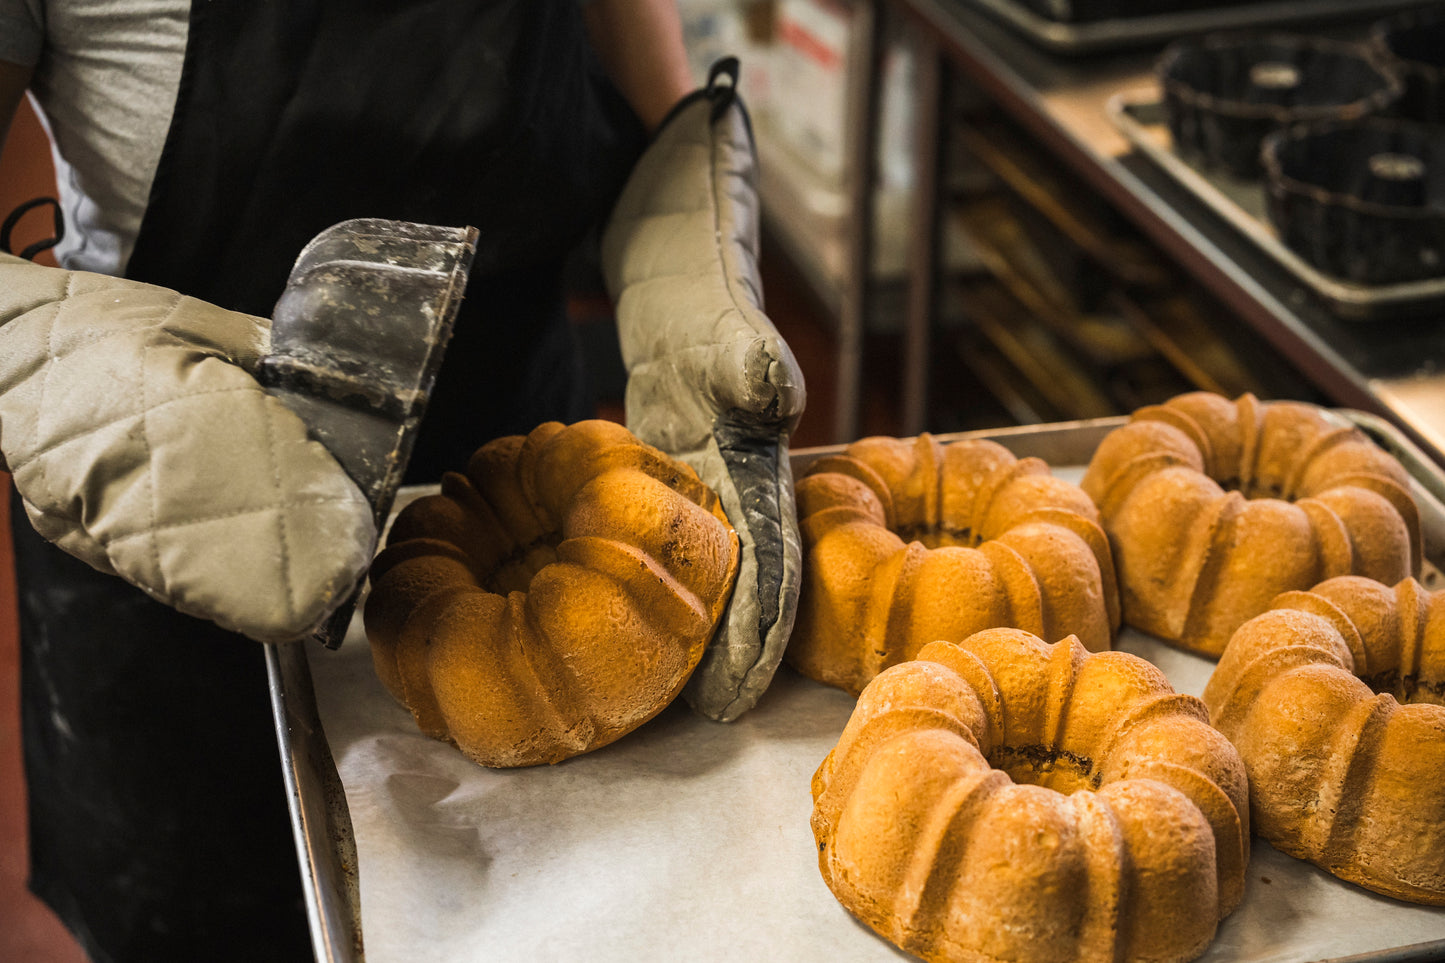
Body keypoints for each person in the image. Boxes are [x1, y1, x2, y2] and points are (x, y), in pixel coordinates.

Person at [0, 2, 805, 960]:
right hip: (162, 483)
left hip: (526, 487)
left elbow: (645, 71)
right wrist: (56, 371)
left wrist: (691, 251)